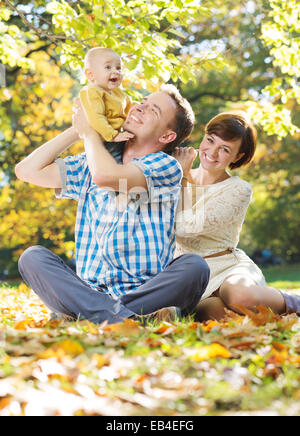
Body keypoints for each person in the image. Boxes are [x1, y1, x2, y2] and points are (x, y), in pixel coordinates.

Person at [15, 84, 210, 325]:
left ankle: (92, 315)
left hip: (145, 292)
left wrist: (90, 134)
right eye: (144, 101)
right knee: (32, 257)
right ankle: (125, 318)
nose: (140, 106)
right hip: (89, 290)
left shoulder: (167, 167)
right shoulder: (93, 161)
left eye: (153, 110)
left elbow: (106, 177)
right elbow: (26, 171)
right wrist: (80, 128)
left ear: (166, 137)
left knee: (195, 267)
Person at [174, 111, 300, 321]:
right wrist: (180, 175)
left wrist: (184, 177)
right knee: (222, 317)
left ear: (238, 156)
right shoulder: (174, 175)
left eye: (224, 149)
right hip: (192, 278)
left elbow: (187, 226)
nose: (212, 153)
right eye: (210, 141)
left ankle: (295, 303)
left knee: (239, 296)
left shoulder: (238, 189)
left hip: (228, 267)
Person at [80, 46, 134, 144]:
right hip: (105, 139)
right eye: (108, 67)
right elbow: (96, 117)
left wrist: (143, 107)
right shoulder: (92, 92)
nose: (116, 71)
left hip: (118, 135)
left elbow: (130, 106)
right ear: (91, 74)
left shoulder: (116, 91)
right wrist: (113, 135)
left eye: (118, 68)